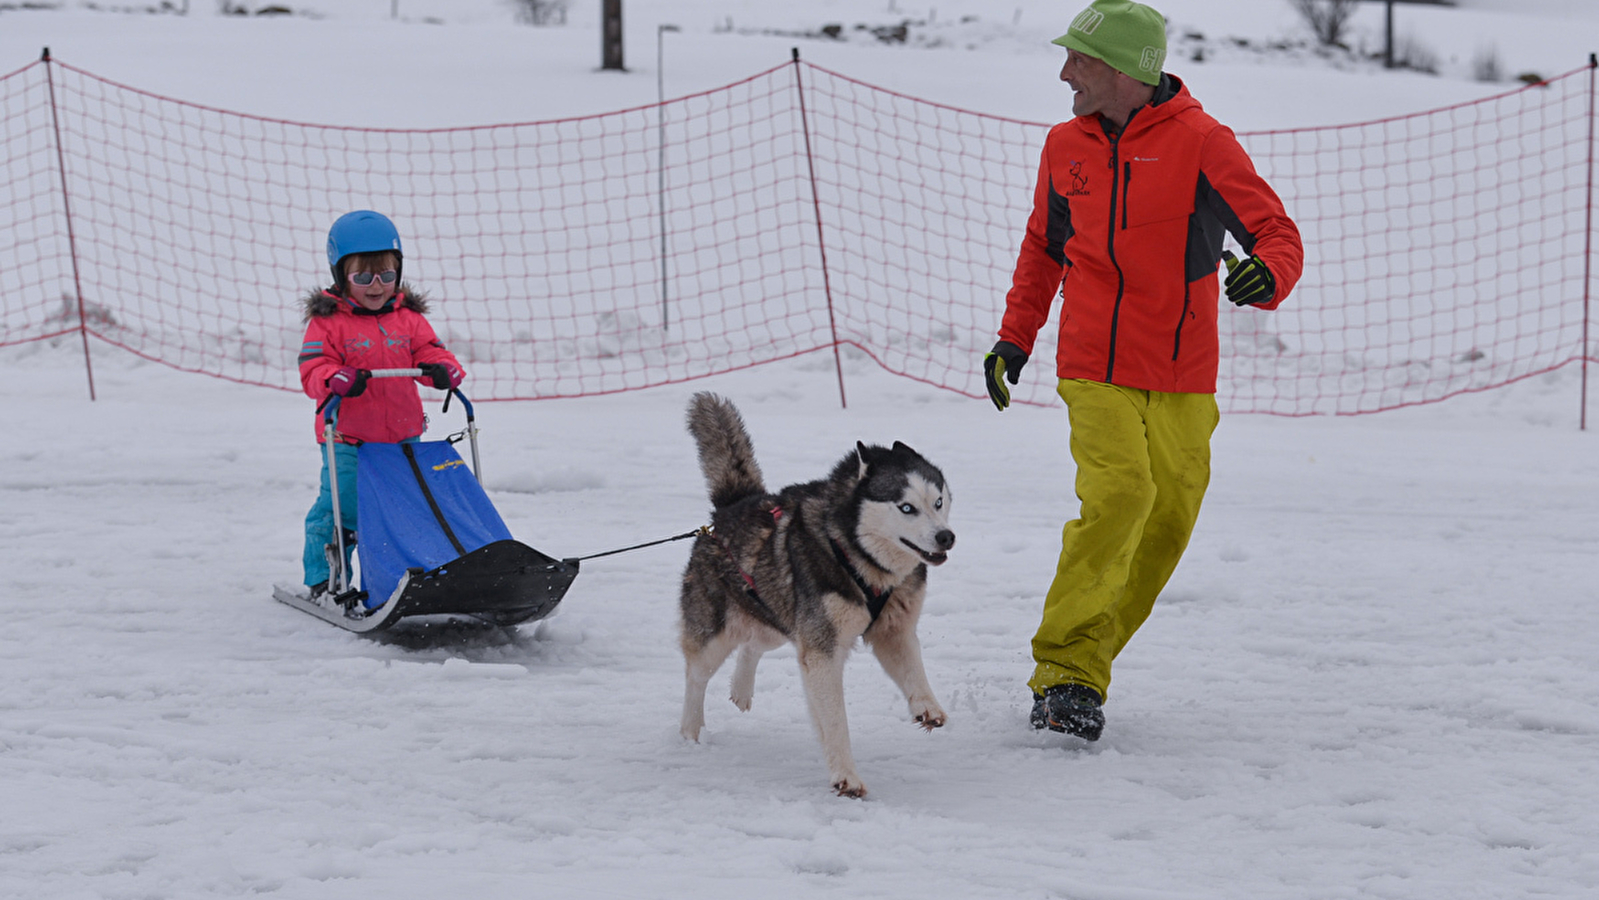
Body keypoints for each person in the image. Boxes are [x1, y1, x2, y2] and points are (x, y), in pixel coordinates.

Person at [983, 0, 1303, 741]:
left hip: (1183, 373)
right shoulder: (1064, 145)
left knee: (1166, 522)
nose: (1065, 72)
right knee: (1122, 496)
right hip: (1091, 364)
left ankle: (1084, 664)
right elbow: (1043, 249)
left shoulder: (1201, 143)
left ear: (1129, 72)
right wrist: (1013, 338)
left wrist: (1268, 273)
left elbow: (1274, 232)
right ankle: (1065, 675)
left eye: (1080, 60)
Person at [297, 210, 465, 600]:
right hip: (348, 439)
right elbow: (312, 369)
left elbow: (431, 353)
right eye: (363, 277)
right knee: (343, 511)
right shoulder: (328, 323)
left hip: (402, 439)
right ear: (342, 276)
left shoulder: (409, 319)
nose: (376, 286)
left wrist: (443, 371)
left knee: (406, 509)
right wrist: (333, 377)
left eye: (386, 276)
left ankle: (403, 578)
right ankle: (326, 579)